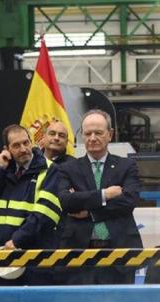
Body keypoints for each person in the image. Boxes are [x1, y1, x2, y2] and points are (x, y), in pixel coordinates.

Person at [59, 109, 143, 285]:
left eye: (98, 132)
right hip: (79, 254)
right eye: (87, 133)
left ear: (110, 134)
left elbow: (129, 201)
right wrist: (106, 194)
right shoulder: (68, 169)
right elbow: (67, 201)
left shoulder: (127, 166)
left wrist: (90, 212)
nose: (92, 138)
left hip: (119, 252)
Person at [0, 124, 65, 286]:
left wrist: (16, 240)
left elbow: (45, 214)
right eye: (16, 145)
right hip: (5, 259)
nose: (24, 149)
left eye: (26, 143)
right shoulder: (5, 170)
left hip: (36, 257)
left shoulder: (50, 170)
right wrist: (0, 169)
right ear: (7, 149)